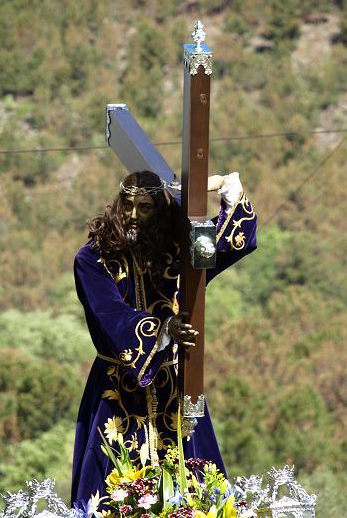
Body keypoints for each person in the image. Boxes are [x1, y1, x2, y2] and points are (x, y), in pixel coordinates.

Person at [71, 170, 257, 506]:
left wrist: (228, 189)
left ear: (158, 210)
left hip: (176, 386)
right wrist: (164, 328)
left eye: (144, 207)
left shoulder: (176, 251)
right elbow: (110, 314)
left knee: (196, 490)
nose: (133, 215)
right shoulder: (93, 259)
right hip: (119, 388)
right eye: (127, 205)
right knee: (111, 495)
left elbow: (225, 245)